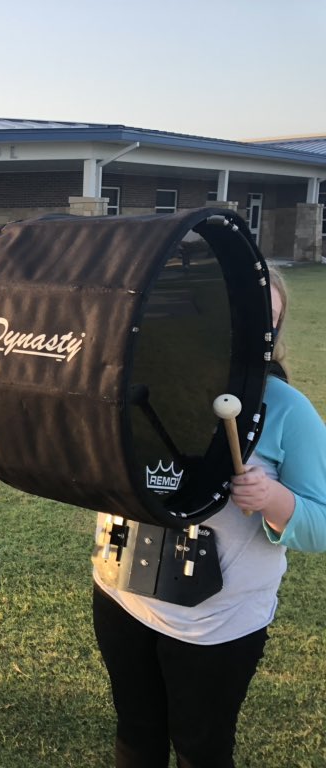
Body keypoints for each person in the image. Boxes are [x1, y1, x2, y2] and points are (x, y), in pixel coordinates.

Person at [92, 265, 326, 767]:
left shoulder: (287, 410)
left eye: (268, 322)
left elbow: (322, 523)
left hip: (216, 624)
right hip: (120, 592)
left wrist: (272, 499)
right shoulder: (140, 385)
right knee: (135, 732)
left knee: (200, 748)